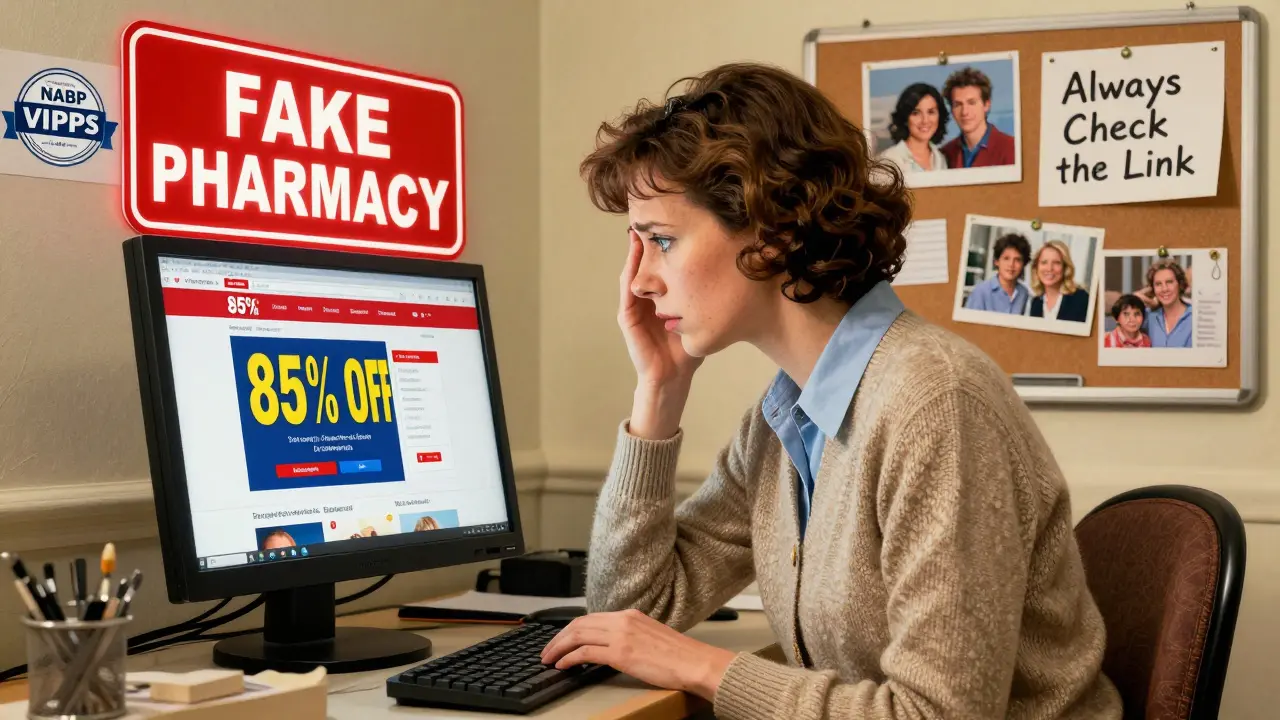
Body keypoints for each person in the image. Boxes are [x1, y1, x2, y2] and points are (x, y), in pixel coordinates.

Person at [538, 61, 1121, 719]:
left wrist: (702, 667)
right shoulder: (786, 417)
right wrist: (659, 395)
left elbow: (939, 715)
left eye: (662, 241)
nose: (640, 282)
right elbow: (628, 620)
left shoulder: (936, 405)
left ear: (773, 228)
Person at [939, 67, 1016, 169]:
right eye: (958, 104)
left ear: (986, 105)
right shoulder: (945, 154)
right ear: (952, 109)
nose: (965, 112)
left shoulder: (1011, 148)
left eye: (971, 103)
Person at [877, 82, 948, 173]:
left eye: (931, 112)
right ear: (905, 117)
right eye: (916, 113)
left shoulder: (941, 159)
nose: (925, 120)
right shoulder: (889, 160)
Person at [963, 232, 1031, 314]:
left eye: (1017, 260)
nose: (1011, 264)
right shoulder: (980, 292)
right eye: (1006, 258)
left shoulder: (1024, 293)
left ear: (1024, 264)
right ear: (997, 262)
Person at [1029, 240, 1091, 322]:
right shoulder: (1035, 303)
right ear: (1036, 268)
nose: (1049, 268)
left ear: (1065, 267)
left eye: (1056, 263)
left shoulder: (1082, 299)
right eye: (1044, 262)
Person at [1145, 259, 1193, 348]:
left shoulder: (1195, 316)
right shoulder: (1148, 316)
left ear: (1180, 284)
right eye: (1158, 284)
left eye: (1169, 282)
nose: (1164, 289)